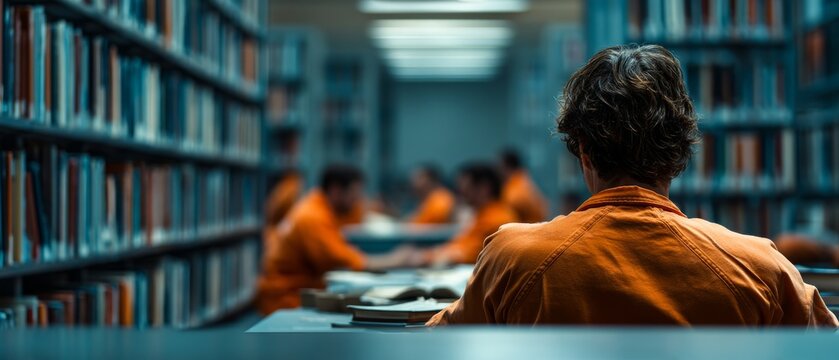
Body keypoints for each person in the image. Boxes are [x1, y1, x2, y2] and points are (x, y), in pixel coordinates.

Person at [427, 45, 838, 327]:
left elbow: (436, 346)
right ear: (680, 151)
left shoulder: (512, 258)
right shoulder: (760, 268)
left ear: (583, 150)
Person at [257, 165, 414, 314]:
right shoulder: (312, 218)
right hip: (286, 299)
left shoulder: (320, 205)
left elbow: (355, 216)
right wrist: (396, 259)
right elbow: (347, 262)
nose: (357, 201)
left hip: (301, 292)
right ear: (336, 190)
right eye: (353, 194)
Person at [423, 164, 517, 266]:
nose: (462, 193)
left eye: (467, 188)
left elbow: (471, 253)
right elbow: (462, 244)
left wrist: (427, 257)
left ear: (484, 187)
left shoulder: (497, 218)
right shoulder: (483, 213)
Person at [499, 149, 549, 223]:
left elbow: (516, 200)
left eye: (499, 166)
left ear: (507, 166)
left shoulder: (516, 187)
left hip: (529, 227)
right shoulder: (524, 180)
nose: (498, 170)